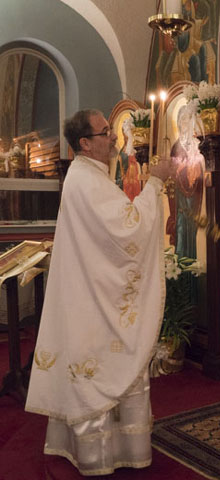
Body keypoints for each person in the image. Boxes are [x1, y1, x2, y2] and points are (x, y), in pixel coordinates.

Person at [25, 109, 174, 476]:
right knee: (104, 366)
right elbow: (129, 231)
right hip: (93, 301)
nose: (113, 138)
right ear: (85, 144)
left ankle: (105, 448)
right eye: (106, 132)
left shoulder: (88, 176)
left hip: (88, 293)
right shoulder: (89, 181)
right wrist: (154, 183)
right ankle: (101, 456)